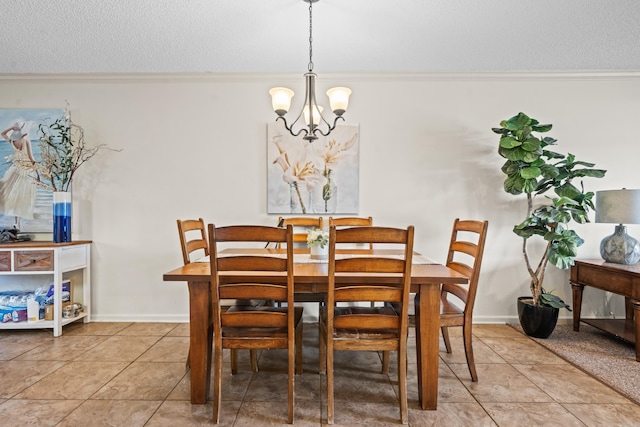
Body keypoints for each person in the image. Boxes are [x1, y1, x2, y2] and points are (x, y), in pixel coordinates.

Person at [0, 122, 39, 220]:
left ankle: (16, 221)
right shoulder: (26, 141)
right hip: (26, 169)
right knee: (22, 195)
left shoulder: (12, 141)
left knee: (12, 192)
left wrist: (11, 128)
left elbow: (2, 134)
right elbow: (31, 158)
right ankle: (18, 222)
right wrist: (38, 172)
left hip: (16, 168)